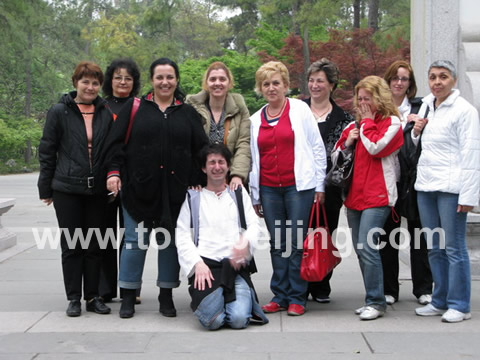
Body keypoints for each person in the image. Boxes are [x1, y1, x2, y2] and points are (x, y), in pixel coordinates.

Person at [105, 57, 209, 319]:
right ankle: (128, 294)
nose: (165, 82)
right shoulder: (135, 108)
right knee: (134, 241)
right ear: (152, 80)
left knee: (170, 243)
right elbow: (115, 146)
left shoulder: (187, 113)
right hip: (138, 188)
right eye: (160, 77)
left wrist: (198, 178)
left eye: (170, 77)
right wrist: (114, 173)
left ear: (176, 80)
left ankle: (166, 296)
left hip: (175, 191)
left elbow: (201, 149)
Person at [249, 61, 327, 316]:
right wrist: (255, 194)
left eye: (276, 83)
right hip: (269, 189)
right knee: (277, 242)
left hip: (299, 188)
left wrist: (319, 184)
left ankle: (297, 296)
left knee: (294, 242)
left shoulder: (300, 110)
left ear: (285, 85)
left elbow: (316, 147)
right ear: (260, 89)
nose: (271, 88)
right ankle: (279, 294)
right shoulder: (254, 120)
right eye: (266, 84)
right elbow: (252, 159)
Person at [38, 61, 113, 317]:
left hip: (97, 190)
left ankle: (93, 296)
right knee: (72, 245)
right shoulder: (60, 111)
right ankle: (73, 298)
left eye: (94, 82)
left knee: (95, 245)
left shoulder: (105, 111)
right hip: (67, 188)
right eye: (85, 81)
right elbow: (47, 149)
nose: (90, 87)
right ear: (75, 83)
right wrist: (45, 187)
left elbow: (113, 149)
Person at [413, 60, 479, 323]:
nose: (437, 82)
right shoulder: (428, 105)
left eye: (443, 76)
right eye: (432, 77)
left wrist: (469, 196)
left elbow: (472, 154)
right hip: (427, 185)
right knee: (434, 248)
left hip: (451, 189)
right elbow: (425, 146)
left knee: (454, 248)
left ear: (454, 80)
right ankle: (439, 300)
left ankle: (460, 304)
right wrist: (417, 132)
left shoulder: (465, 111)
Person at [175, 144, 268, 330]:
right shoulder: (193, 197)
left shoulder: (239, 194)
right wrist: (196, 263)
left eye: (221, 162)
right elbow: (182, 233)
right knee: (213, 321)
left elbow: (254, 225)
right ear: (204, 168)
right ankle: (213, 296)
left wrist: (245, 243)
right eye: (212, 163)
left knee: (239, 320)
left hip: (234, 267)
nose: (217, 167)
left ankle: (229, 296)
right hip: (206, 267)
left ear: (228, 166)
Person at [334, 75, 403, 320]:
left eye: (367, 99)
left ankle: (377, 301)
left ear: (380, 98)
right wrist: (347, 144)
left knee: (367, 246)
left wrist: (367, 123)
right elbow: (336, 159)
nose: (362, 104)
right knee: (361, 250)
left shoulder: (392, 122)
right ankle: (371, 298)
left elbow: (377, 147)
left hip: (379, 195)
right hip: (354, 195)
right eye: (359, 98)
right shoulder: (353, 126)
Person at [379, 60, 433, 306]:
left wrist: (418, 127)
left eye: (405, 79)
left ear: (410, 84)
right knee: (388, 236)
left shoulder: (421, 107)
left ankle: (423, 288)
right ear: (388, 80)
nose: (399, 83)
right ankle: (390, 289)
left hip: (414, 179)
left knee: (419, 234)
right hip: (389, 180)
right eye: (396, 78)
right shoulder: (381, 108)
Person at [303, 58, 354, 304]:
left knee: (325, 233)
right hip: (300, 185)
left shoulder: (344, 119)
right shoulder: (296, 110)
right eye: (311, 80)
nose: (314, 85)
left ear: (331, 85)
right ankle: (301, 284)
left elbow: (346, 156)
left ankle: (321, 283)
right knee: (300, 235)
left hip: (330, 188)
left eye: (320, 81)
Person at [100, 58, 141, 304]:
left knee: (131, 235)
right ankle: (105, 288)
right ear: (110, 80)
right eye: (118, 77)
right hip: (105, 176)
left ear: (134, 81)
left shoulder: (140, 106)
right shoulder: (101, 106)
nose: (123, 81)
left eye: (127, 77)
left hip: (132, 178)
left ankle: (130, 286)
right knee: (104, 232)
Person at [186, 61, 251, 190]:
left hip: (229, 178)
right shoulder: (191, 108)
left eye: (222, 79)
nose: (217, 83)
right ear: (206, 83)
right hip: (199, 180)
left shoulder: (240, 108)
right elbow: (187, 146)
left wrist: (237, 175)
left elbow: (244, 143)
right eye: (213, 79)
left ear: (229, 83)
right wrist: (193, 177)